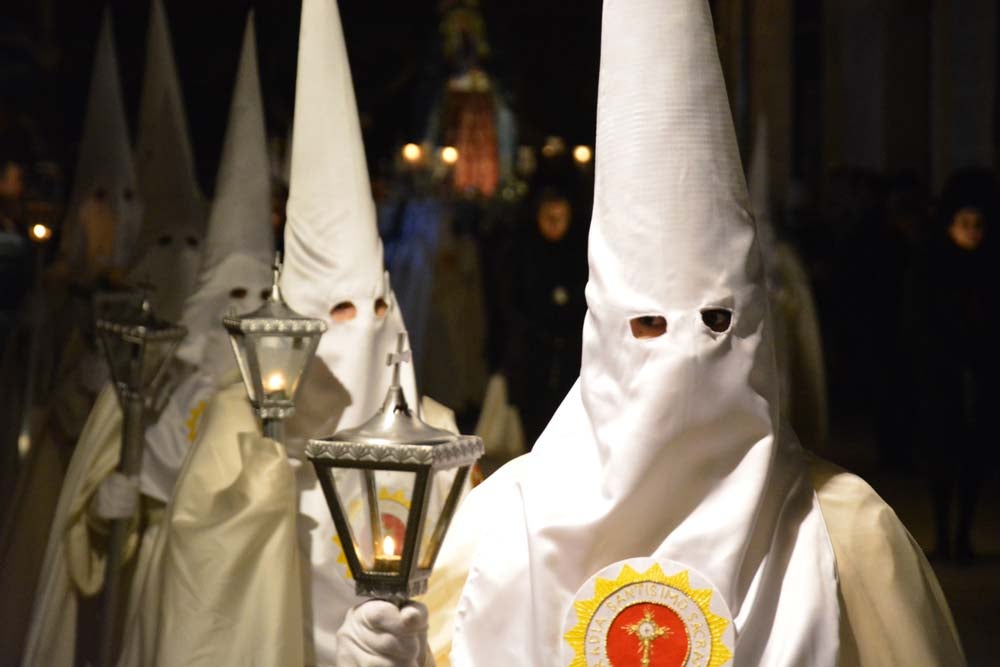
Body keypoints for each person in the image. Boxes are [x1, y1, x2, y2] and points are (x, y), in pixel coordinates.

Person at [339, 1, 964, 664]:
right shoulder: (497, 528)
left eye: (718, 322)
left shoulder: (848, 534)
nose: (685, 355)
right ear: (604, 334)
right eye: (648, 325)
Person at [120, 2, 461, 665]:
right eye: (333, 315)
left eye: (370, 310)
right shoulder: (234, 427)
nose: (356, 334)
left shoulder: (439, 440)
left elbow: (461, 602)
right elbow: (199, 593)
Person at [21, 14, 275, 666]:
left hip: (246, 601)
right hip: (157, 585)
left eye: (256, 299)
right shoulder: (154, 376)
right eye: (230, 298)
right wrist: (108, 509)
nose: (240, 315)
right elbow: (105, 478)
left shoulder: (285, 396)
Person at [909, 167, 999, 563]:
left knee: (972, 459)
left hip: (979, 374)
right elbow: (916, 318)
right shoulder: (932, 261)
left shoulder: (988, 264)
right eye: (965, 223)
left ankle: (961, 535)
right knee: (942, 456)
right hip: (940, 373)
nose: (973, 232)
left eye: (979, 224)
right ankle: (946, 533)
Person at [504, 186, 587, 446]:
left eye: (559, 217)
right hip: (531, 354)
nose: (553, 224)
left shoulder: (579, 256)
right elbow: (511, 302)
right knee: (534, 425)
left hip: (570, 356)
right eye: (547, 217)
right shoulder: (522, 254)